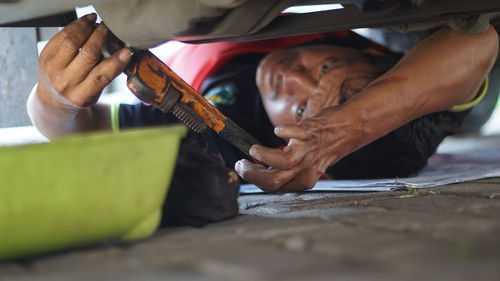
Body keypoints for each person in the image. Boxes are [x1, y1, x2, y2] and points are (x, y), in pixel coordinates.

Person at [28, 13, 499, 193]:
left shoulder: (235, 139)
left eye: (299, 114)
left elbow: (72, 131)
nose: (292, 77)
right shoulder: (400, 71)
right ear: (370, 51)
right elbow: (478, 45)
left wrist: (55, 99)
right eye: (327, 69)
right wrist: (342, 127)